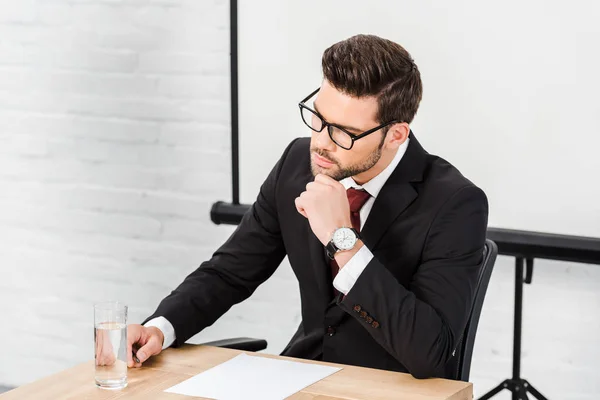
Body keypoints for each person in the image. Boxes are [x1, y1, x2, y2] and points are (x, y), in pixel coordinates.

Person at [126, 34, 488, 379]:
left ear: (395, 135)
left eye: (343, 132)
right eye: (317, 117)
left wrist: (342, 239)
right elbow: (230, 272)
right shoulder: (297, 163)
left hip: (390, 388)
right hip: (302, 377)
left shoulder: (455, 204)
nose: (320, 142)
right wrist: (160, 328)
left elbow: (431, 352)